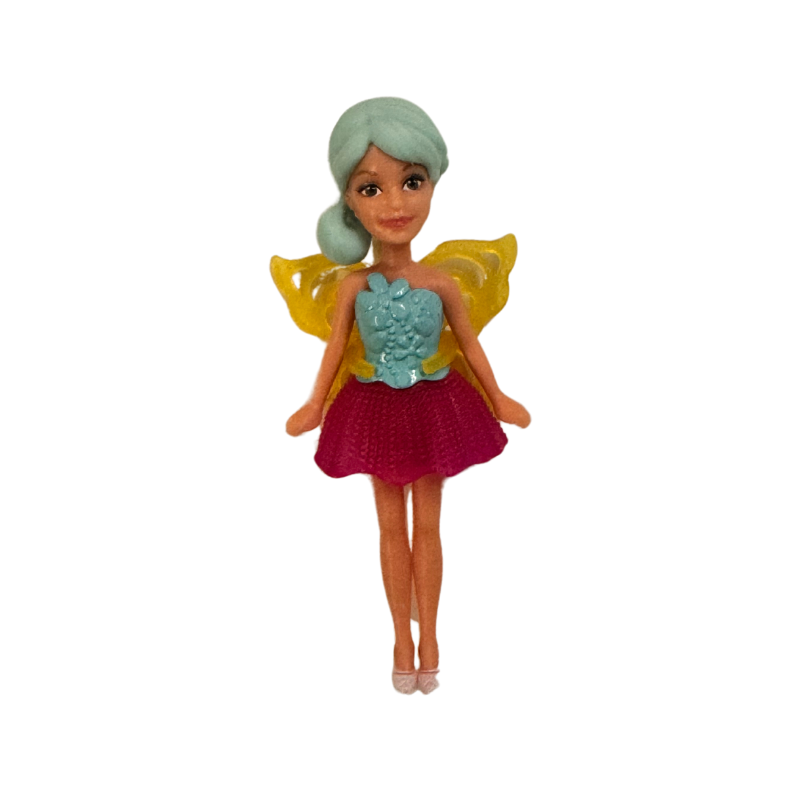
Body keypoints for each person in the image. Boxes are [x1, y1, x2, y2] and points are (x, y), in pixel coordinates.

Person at [272, 97, 530, 694]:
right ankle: (400, 639)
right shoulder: (352, 287)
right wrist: (314, 404)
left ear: (433, 184)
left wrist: (498, 398)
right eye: (371, 188)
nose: (395, 203)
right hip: (371, 406)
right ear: (349, 201)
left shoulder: (441, 282)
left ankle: (431, 637)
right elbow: (335, 351)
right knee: (391, 529)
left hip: (435, 405)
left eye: (412, 182)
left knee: (429, 527)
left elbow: (469, 346)